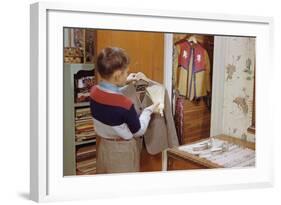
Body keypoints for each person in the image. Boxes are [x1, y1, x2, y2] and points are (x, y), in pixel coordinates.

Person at [90, 47, 159, 174]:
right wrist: (148, 111)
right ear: (117, 75)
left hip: (104, 147)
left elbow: (108, 96)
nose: (127, 75)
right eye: (126, 73)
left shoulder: (94, 92)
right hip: (122, 152)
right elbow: (138, 131)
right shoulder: (124, 104)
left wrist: (123, 82)